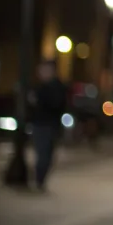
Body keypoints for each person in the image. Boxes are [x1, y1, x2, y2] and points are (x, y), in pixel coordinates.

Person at [30, 60, 67, 191]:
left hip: (51, 125)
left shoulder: (56, 87)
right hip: (40, 124)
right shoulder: (38, 87)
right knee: (42, 154)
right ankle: (39, 180)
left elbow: (59, 104)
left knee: (48, 155)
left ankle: (40, 179)